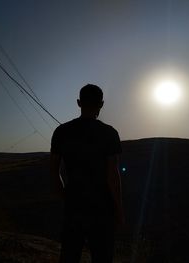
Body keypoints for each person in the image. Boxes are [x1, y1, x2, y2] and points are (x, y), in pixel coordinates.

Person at [50, 84, 124, 263]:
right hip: (102, 210)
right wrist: (119, 209)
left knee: (69, 256)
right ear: (102, 104)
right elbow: (112, 176)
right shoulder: (110, 133)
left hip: (73, 207)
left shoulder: (61, 132)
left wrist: (65, 197)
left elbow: (53, 172)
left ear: (78, 103)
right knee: (102, 257)